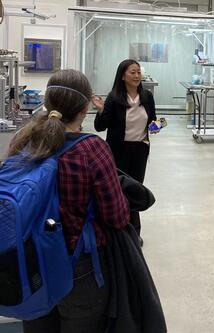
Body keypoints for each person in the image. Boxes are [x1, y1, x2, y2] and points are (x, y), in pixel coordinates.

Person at [8, 69, 130, 332]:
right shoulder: (91, 149)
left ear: (47, 100)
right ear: (85, 108)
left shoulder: (23, 140)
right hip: (78, 268)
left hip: (29, 267)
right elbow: (116, 216)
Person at [93, 59, 157, 240]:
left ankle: (134, 234)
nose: (137, 76)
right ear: (123, 76)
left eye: (138, 72)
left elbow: (154, 122)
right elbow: (100, 127)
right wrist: (101, 110)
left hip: (140, 151)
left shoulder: (147, 97)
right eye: (132, 72)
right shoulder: (114, 98)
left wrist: (157, 127)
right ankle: (123, 234)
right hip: (118, 151)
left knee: (135, 190)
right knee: (120, 191)